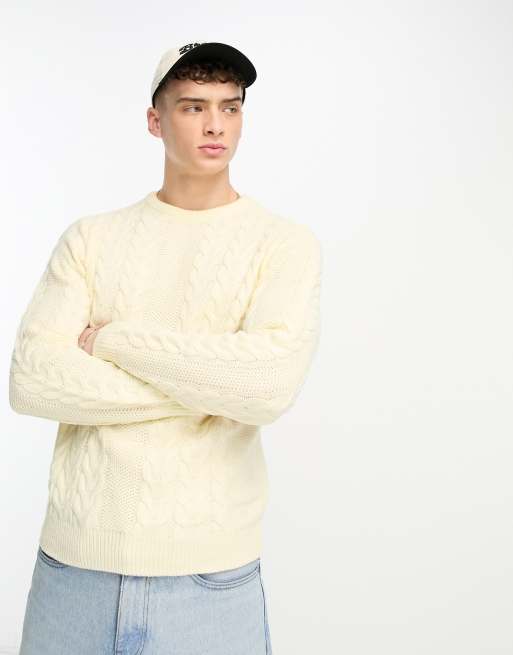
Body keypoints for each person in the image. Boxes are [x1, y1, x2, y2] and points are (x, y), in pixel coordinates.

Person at [10, 41, 322, 654]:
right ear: (155, 121)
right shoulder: (91, 239)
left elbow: (267, 388)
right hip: (74, 573)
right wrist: (212, 385)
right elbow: (33, 380)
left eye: (230, 107)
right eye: (193, 106)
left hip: (209, 585)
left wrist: (114, 340)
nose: (215, 125)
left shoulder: (282, 244)